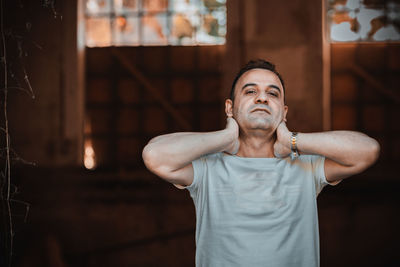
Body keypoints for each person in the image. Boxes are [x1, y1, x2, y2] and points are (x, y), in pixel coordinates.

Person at [142, 59, 380, 267]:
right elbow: (155, 155)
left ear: (284, 113)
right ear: (230, 108)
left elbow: (367, 150)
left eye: (273, 93)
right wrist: (224, 138)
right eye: (250, 91)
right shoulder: (207, 167)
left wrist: (292, 141)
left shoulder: (307, 165)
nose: (262, 98)